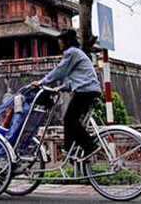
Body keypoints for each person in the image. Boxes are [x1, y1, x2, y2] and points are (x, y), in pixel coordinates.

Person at [33, 29, 101, 157]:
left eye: (61, 40)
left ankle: (89, 146)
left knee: (70, 119)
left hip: (85, 91)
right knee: (71, 120)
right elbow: (74, 80)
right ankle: (71, 150)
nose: (59, 43)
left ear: (66, 41)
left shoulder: (71, 53)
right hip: (90, 90)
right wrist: (60, 88)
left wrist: (42, 82)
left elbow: (60, 71)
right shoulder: (78, 53)